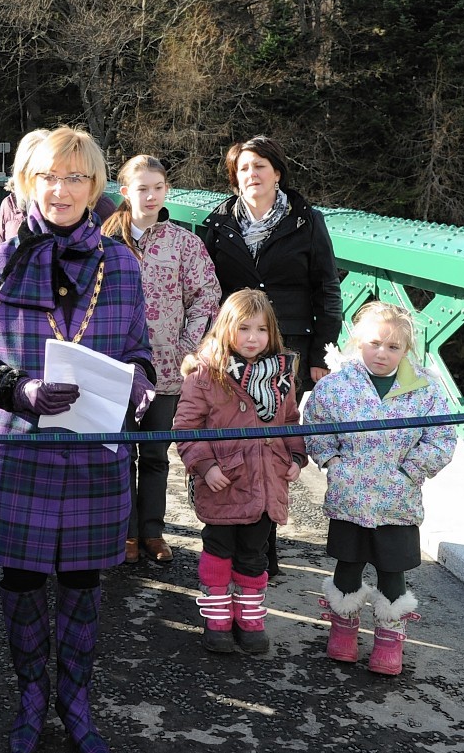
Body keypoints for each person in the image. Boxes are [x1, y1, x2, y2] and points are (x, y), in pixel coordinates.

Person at [0, 126, 154, 753]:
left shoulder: (122, 265)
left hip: (95, 456)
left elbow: (138, 350)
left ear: (96, 188)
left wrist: (142, 387)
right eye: (49, 176)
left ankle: (75, 705)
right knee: (19, 584)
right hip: (20, 455)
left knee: (81, 586)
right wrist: (19, 387)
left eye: (76, 178)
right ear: (26, 183)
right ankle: (29, 702)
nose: (62, 189)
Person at [201, 135, 341, 578]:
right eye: (243, 168)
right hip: (235, 347)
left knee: (274, 445)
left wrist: (320, 351)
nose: (252, 174)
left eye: (260, 166)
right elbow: (206, 289)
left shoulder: (306, 221)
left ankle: (264, 549)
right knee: (238, 442)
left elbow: (327, 288)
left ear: (277, 172)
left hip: (289, 348)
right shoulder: (218, 222)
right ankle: (240, 544)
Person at [303, 302, 456, 676]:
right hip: (349, 496)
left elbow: (442, 436)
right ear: (358, 343)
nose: (382, 354)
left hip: (397, 499)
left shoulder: (425, 390)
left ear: (406, 350)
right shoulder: (336, 387)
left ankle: (389, 639)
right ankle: (344, 631)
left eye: (393, 347)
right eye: (374, 344)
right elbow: (315, 424)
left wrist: (412, 470)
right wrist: (332, 462)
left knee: (393, 568)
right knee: (348, 565)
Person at [102, 156, 221, 565]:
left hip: (168, 371)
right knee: (119, 454)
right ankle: (125, 533)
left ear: (166, 190)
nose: (151, 196)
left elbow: (208, 295)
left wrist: (189, 347)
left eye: (158, 187)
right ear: (125, 193)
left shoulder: (185, 243)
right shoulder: (104, 241)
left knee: (155, 454)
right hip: (116, 368)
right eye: (142, 188)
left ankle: (152, 531)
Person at [174, 289, 305, 656]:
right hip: (223, 483)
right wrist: (205, 465)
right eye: (243, 328)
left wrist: (295, 458)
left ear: (272, 333)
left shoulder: (282, 375)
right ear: (225, 328)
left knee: (254, 553)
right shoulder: (205, 372)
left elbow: (291, 422)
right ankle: (217, 618)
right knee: (218, 550)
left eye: (261, 330)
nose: (253, 338)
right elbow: (186, 427)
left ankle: (249, 619)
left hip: (266, 482)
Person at [0, 128, 118, 244]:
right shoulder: (9, 206)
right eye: (48, 176)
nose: (60, 191)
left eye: (74, 178)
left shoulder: (102, 209)